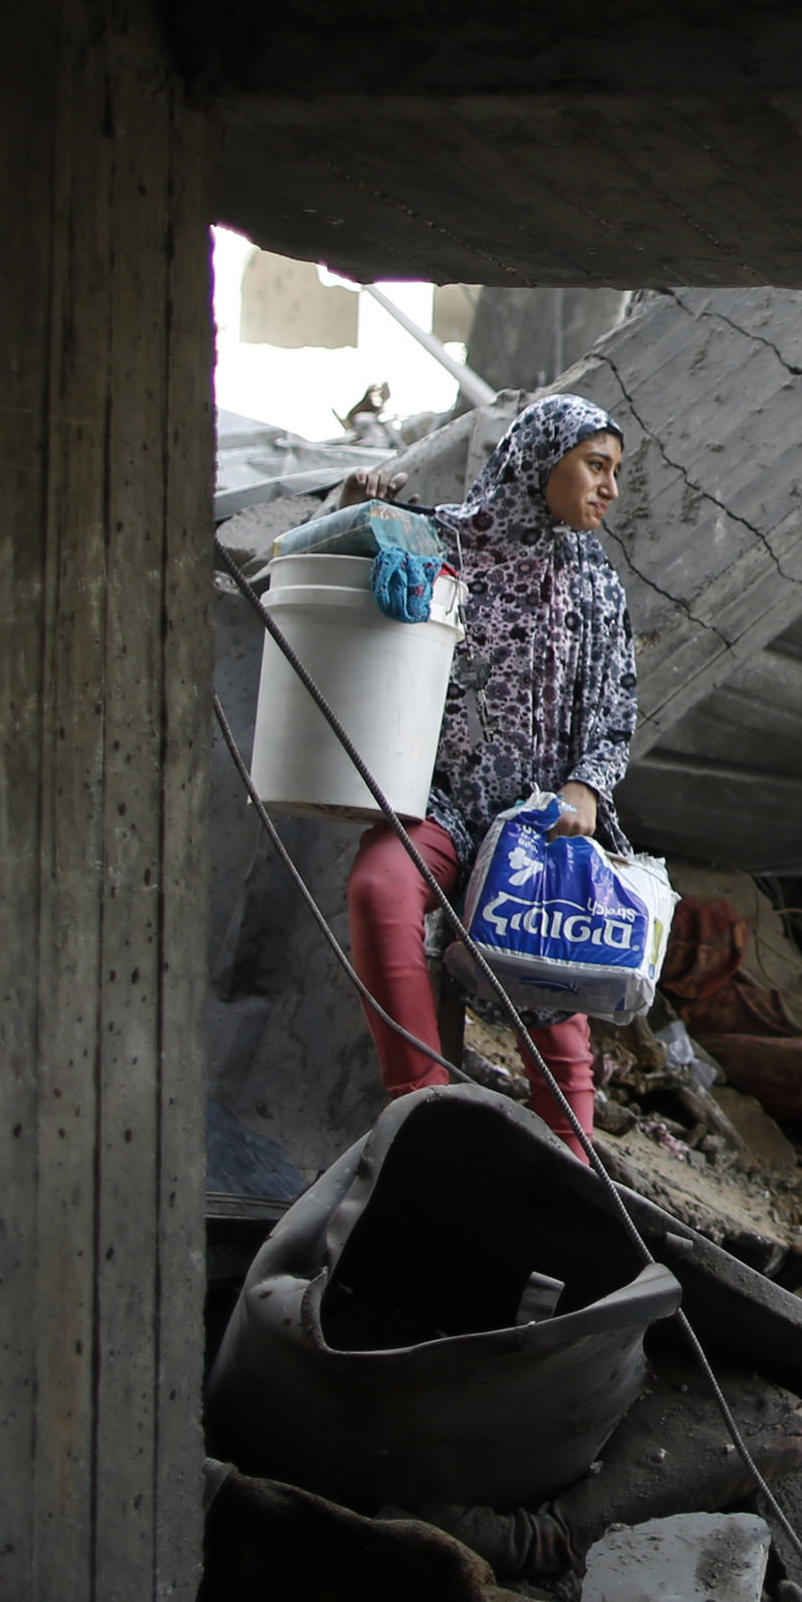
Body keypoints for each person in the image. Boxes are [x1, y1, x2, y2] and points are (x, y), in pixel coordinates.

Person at [337, 395, 635, 1154]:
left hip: (533, 827)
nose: (609, 488)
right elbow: (346, 581)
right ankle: (421, 1119)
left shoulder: (598, 586)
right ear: (543, 460)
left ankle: (574, 1181)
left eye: (614, 473)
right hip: (437, 803)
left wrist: (586, 785)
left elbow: (615, 713)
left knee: (560, 1001)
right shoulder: (445, 543)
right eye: (594, 466)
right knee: (380, 887)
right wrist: (356, 516)